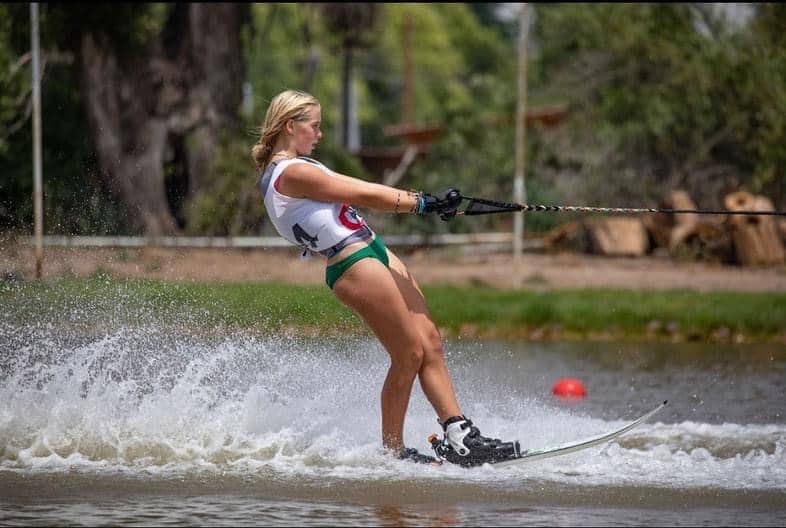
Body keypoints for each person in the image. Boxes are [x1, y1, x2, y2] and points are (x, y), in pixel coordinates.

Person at [251, 89, 519, 466]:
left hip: (371, 247)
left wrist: (427, 202)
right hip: (350, 261)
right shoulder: (290, 172)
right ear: (291, 126)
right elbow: (364, 192)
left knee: (429, 341)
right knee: (407, 352)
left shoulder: (298, 167)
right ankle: (393, 451)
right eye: (315, 126)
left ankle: (459, 435)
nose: (320, 134)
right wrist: (422, 202)